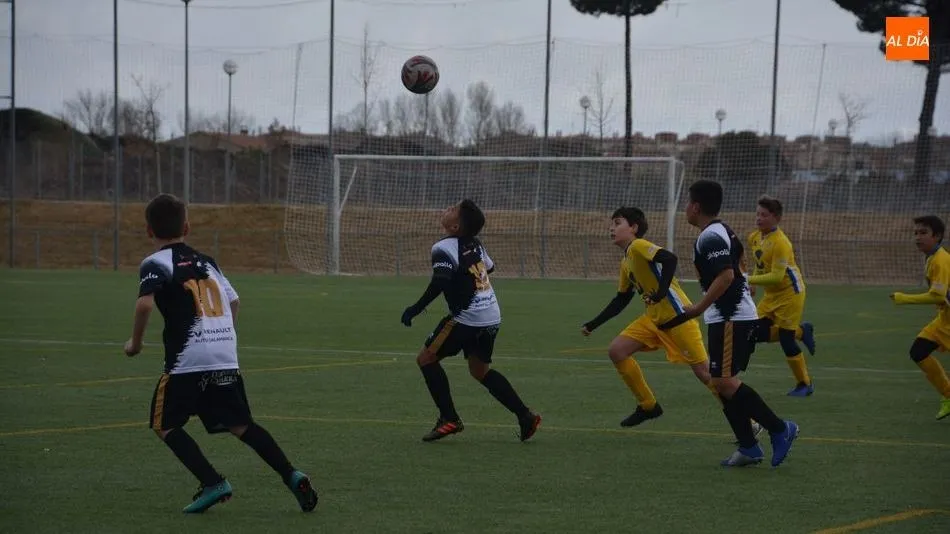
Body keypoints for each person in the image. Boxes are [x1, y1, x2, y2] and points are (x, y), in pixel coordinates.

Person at [124, 193, 318, 513]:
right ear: (187, 226)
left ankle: (213, 482)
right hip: (224, 353)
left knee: (164, 424)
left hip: (188, 360)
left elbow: (145, 303)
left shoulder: (155, 263)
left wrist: (135, 344)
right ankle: (291, 474)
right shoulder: (207, 261)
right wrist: (223, 336)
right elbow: (235, 301)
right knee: (242, 425)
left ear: (149, 231)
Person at [659, 180, 799, 468]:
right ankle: (749, 447)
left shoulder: (709, 237)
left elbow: (726, 275)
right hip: (732, 315)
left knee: (723, 381)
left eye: (687, 203)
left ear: (696, 207)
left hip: (729, 317)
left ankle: (779, 428)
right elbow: (741, 265)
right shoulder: (725, 230)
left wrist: (698, 307)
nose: (685, 208)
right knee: (723, 383)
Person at [582, 206, 740, 429]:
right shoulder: (626, 261)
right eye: (612, 224)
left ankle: (748, 423)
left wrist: (661, 291)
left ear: (634, 228)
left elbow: (670, 259)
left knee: (708, 376)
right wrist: (593, 324)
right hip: (653, 322)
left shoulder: (638, 246)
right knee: (617, 351)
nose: (612, 228)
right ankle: (648, 406)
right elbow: (621, 299)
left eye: (618, 223)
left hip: (678, 320)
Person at [401, 199, 542, 443]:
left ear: (455, 227)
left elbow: (441, 280)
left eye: (452, 209)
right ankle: (525, 415)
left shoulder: (443, 247)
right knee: (480, 370)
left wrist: (415, 308)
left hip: (468, 317)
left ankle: (449, 418)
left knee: (426, 359)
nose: (447, 208)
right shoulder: (474, 243)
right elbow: (490, 267)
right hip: (491, 316)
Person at [745, 195, 817, 396]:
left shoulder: (781, 243)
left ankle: (805, 383)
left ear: (776, 218)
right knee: (753, 331)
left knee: (786, 340)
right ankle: (802, 332)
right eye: (757, 214)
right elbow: (761, 264)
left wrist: (748, 280)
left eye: (764, 215)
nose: (759, 218)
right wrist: (754, 282)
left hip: (790, 293)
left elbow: (777, 276)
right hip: (771, 296)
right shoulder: (754, 237)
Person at [889, 215, 950, 420]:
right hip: (944, 320)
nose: (917, 237)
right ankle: (949, 395)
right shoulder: (931, 257)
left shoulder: (940, 260)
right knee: (919, 351)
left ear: (938, 236)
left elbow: (937, 295)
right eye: (915, 233)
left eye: (923, 233)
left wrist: (903, 298)